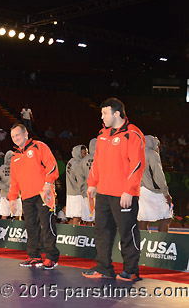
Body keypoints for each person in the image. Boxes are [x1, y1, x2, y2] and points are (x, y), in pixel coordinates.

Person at [82, 98, 145, 281]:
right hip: (103, 192)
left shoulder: (133, 134)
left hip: (123, 194)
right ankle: (104, 267)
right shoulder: (102, 135)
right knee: (102, 231)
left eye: (105, 113)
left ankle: (131, 269)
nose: (102, 117)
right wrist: (92, 183)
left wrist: (129, 190)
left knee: (127, 231)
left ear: (117, 113)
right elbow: (97, 162)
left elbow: (138, 164)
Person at [8, 124, 60, 269]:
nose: (16, 138)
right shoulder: (15, 157)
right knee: (31, 227)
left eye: (18, 135)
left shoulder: (39, 147)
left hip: (44, 193)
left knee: (47, 225)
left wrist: (48, 183)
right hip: (26, 197)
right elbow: (14, 181)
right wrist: (12, 198)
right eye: (13, 136)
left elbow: (52, 166)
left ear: (26, 134)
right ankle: (34, 256)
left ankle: (51, 257)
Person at [138, 135, 172, 233]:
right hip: (153, 190)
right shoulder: (152, 154)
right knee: (166, 216)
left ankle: (143, 242)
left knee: (143, 219)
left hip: (140, 190)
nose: (158, 147)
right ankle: (161, 244)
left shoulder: (135, 153)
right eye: (157, 145)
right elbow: (158, 175)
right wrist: (166, 193)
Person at [0, 151, 22, 220]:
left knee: (4, 215)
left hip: (5, 194)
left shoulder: (1, 169)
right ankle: (17, 230)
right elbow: (22, 181)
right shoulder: (18, 168)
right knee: (18, 216)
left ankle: (3, 230)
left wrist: (6, 189)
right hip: (16, 194)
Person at [65, 145, 88, 225]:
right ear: (78, 153)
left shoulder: (71, 161)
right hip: (78, 194)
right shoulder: (77, 164)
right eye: (84, 153)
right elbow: (80, 180)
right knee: (78, 217)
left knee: (75, 217)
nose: (86, 155)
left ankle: (73, 234)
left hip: (71, 193)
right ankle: (76, 235)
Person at [78, 138, 97, 225]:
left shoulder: (83, 160)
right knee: (100, 220)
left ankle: (88, 237)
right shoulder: (102, 158)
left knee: (88, 220)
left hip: (87, 193)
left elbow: (80, 178)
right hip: (100, 193)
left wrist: (83, 191)